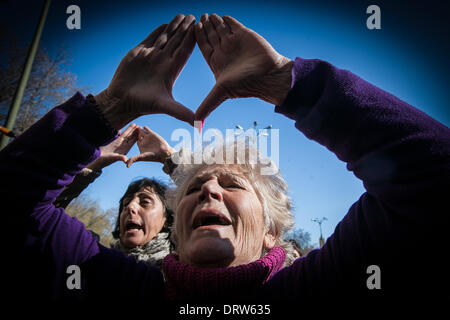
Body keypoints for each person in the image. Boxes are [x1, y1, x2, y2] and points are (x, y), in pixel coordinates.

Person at [1, 13, 448, 309]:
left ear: (273, 229)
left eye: (232, 184)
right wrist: (108, 109)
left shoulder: (318, 288)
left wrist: (289, 85)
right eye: (194, 188)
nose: (210, 190)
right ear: (176, 229)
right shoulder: (114, 285)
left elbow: (432, 174)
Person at [53, 123, 175, 267]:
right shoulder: (90, 260)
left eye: (145, 202)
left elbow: (206, 191)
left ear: (167, 220)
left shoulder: (184, 270)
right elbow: (35, 214)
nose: (130, 207)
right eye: (125, 204)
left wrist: (170, 159)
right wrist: (92, 165)